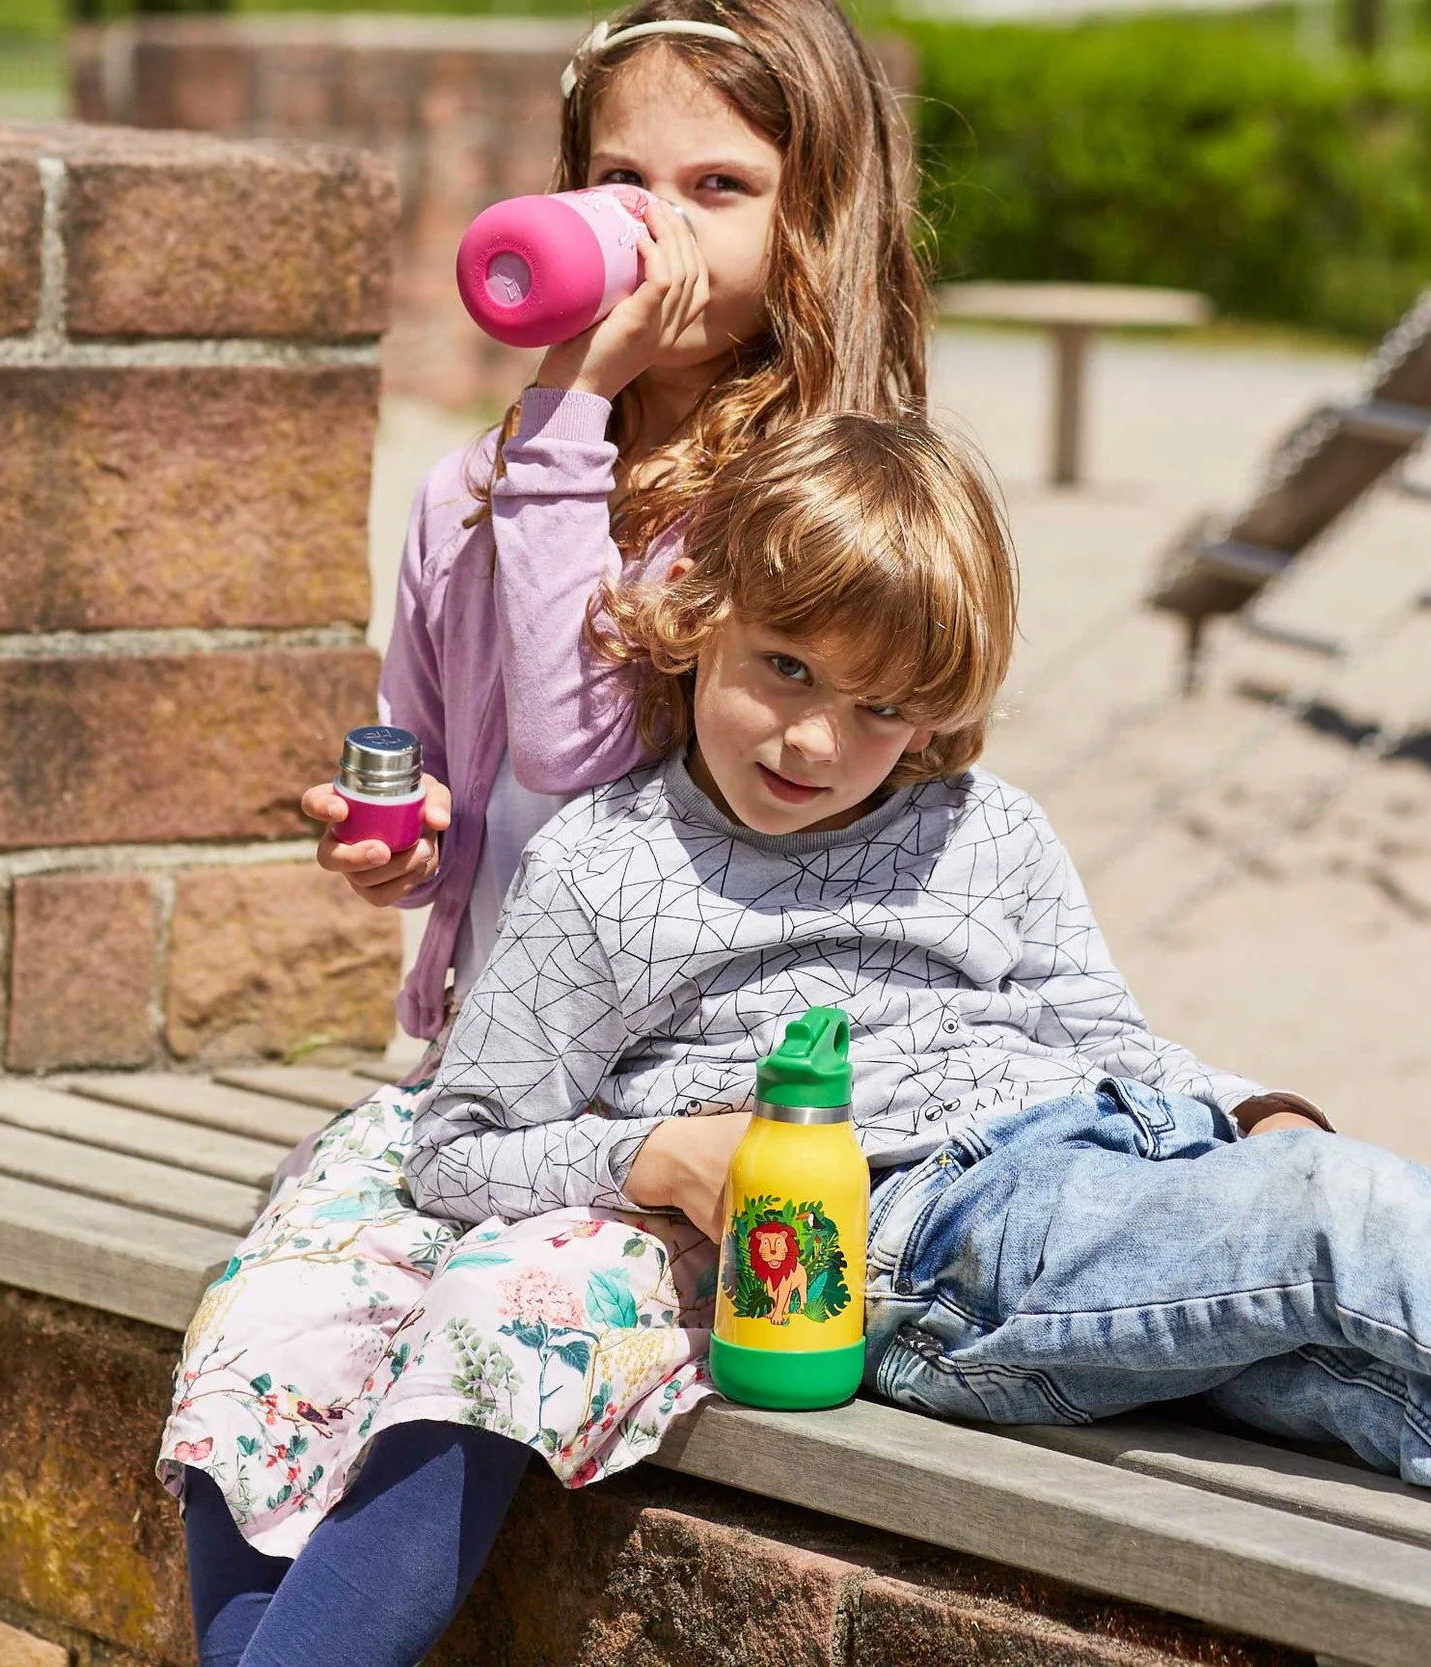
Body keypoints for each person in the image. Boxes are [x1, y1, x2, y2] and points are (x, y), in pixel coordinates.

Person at [402, 411, 1431, 1626]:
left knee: (1342, 1376)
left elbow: (1108, 1035)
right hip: (923, 1245)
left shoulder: (982, 828)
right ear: (702, 618)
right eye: (782, 669)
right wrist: (660, 1151)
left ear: (938, 708)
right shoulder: (611, 865)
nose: (816, 737)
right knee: (1331, 1226)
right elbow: (456, 1146)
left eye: (882, 708)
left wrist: (1241, 1097)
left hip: (1103, 1163)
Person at [158, 3, 931, 1662]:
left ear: (815, 225)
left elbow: (594, 773)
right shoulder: (468, 494)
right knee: (269, 1328)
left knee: (480, 1346)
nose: (654, 228)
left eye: (718, 188)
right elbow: (464, 779)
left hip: (670, 1115)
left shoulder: (808, 526)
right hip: (477, 1082)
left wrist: (570, 413)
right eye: (618, 177)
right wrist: (408, 845)